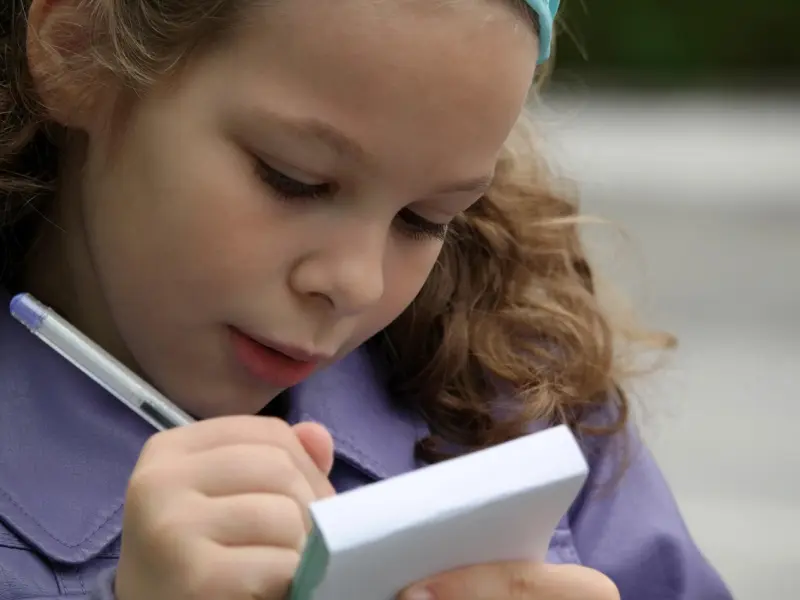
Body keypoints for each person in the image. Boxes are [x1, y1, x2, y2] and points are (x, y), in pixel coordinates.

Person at [0, 0, 733, 598]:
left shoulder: (519, 404)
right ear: (78, 48)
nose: (357, 283)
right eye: (295, 178)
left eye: (425, 220)